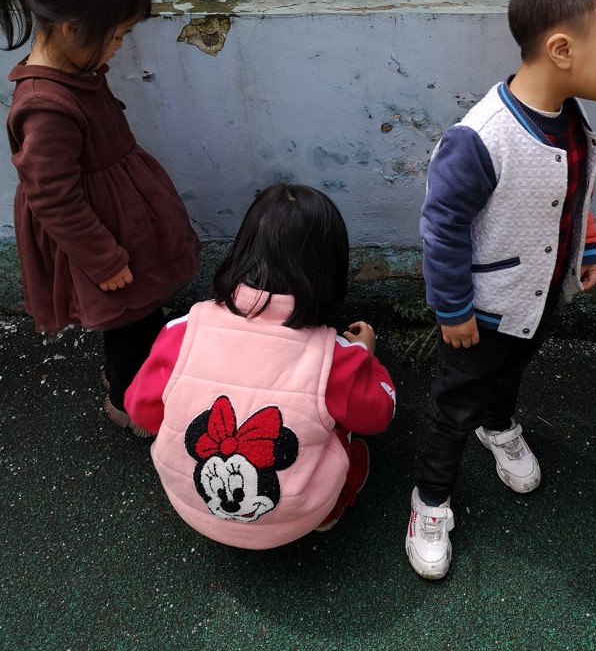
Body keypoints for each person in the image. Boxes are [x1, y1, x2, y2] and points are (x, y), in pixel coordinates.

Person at [406, 0, 596, 579]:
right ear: (562, 49)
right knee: (453, 405)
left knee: (510, 373)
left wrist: (587, 245)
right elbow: (441, 227)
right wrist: (452, 309)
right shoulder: (481, 138)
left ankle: (499, 424)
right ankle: (430, 499)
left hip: (536, 300)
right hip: (479, 313)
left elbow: (573, 192)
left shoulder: (570, 120)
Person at [1, 0, 201, 436]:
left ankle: (143, 378)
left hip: (116, 222)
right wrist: (103, 259)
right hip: (98, 240)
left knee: (140, 312)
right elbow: (52, 197)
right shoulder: (45, 107)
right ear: (71, 29)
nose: (117, 47)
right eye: (115, 37)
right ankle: (130, 403)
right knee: (128, 323)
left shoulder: (72, 69)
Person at [125, 182, 396, 548]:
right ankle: (333, 506)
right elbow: (379, 413)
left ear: (243, 249)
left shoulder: (184, 330)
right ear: (329, 268)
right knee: (343, 417)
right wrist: (365, 356)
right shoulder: (335, 357)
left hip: (192, 502)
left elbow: (140, 411)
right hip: (296, 516)